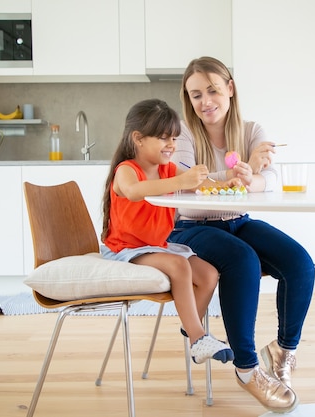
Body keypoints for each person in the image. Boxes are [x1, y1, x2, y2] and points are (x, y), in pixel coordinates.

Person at [168, 56, 315, 413]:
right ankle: (247, 369)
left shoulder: (252, 131)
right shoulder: (184, 134)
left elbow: (272, 181)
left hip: (238, 220)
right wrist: (235, 177)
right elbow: (186, 188)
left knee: (300, 264)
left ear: (230, 89)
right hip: (193, 227)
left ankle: (282, 352)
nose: (205, 102)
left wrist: (253, 178)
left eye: (213, 90)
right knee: (242, 260)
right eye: (196, 94)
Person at [100, 98, 234, 365]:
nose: (172, 145)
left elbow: (200, 184)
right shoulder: (127, 170)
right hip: (126, 249)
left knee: (208, 274)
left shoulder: (167, 169)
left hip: (156, 245)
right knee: (180, 266)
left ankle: (191, 326)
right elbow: (133, 191)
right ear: (138, 138)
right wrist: (180, 181)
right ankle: (198, 337)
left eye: (173, 138)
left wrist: (224, 184)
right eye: (163, 138)